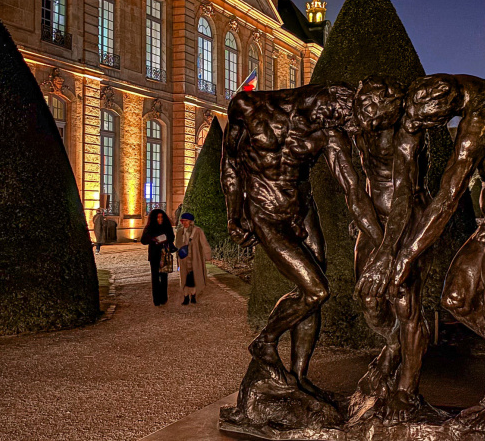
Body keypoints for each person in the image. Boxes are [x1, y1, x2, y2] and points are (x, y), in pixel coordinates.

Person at [359, 74, 485, 431]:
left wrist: (404, 257)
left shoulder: (480, 116)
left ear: (445, 102)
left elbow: (447, 197)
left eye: (434, 121)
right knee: (456, 298)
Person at [221, 84, 383, 400]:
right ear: (321, 102)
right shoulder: (249, 107)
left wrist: (381, 242)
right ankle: (265, 342)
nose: (331, 127)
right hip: (265, 212)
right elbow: (230, 163)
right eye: (332, 119)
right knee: (315, 289)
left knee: (312, 292)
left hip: (301, 209)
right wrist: (233, 214)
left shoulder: (328, 132)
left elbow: (352, 188)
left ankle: (298, 376)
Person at [348, 78, 438, 423]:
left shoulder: (407, 133)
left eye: (372, 106)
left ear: (392, 105)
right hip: (375, 219)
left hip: (410, 219)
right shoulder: (361, 125)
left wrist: (388, 253)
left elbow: (403, 193)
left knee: (406, 305)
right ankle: (394, 345)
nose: (365, 112)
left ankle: (406, 390)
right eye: (362, 105)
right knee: (368, 298)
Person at [140, 208, 174, 306]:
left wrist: (165, 239)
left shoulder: (166, 226)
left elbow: (171, 237)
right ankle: (156, 299)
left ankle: (163, 298)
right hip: (154, 255)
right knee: (155, 277)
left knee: (164, 277)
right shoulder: (150, 227)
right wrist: (153, 239)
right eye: (158, 217)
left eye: (161, 217)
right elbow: (143, 240)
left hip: (164, 254)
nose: (160, 219)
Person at [175, 212, 210, 305]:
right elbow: (177, 245)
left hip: (195, 258)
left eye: (186, 221)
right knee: (184, 278)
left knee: (195, 277)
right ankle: (186, 297)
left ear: (191, 221)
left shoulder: (197, 231)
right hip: (184, 259)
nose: (184, 223)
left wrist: (208, 255)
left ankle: (193, 295)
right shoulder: (180, 232)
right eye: (183, 221)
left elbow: (204, 243)